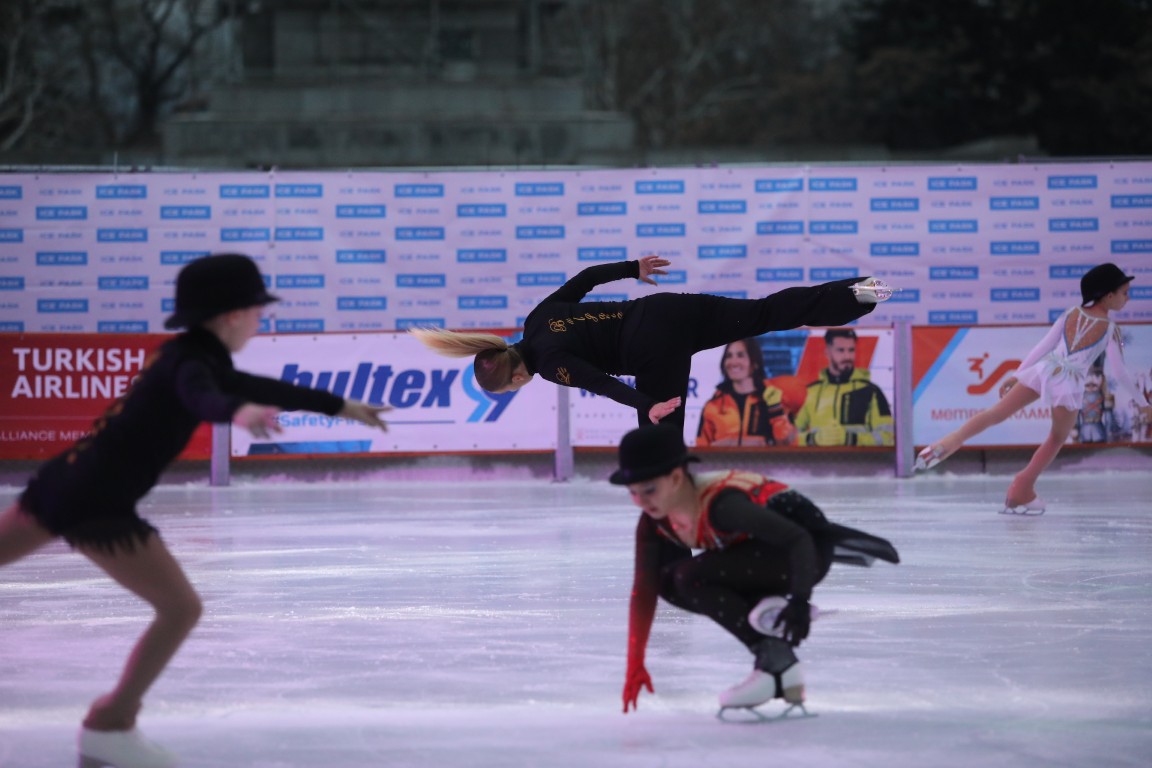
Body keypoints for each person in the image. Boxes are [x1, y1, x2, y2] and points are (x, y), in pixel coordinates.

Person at [0, 254, 390, 768]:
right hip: (95, 503)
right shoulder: (191, 366)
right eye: (257, 309)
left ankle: (112, 720)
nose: (260, 318)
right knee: (181, 609)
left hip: (62, 484)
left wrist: (339, 407)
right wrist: (237, 413)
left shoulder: (190, 354)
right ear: (232, 314)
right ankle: (111, 720)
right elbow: (204, 397)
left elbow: (256, 387)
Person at [609, 424, 900, 714]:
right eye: (633, 493)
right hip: (761, 554)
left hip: (806, 551)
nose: (641, 502)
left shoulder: (722, 504)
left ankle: (773, 655)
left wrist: (800, 600)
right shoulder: (653, 522)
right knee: (668, 583)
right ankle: (775, 651)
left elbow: (798, 538)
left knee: (689, 576)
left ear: (675, 478)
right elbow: (644, 588)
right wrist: (635, 663)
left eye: (649, 490)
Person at [411, 256, 892, 430]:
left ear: (516, 376)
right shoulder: (537, 319)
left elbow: (602, 384)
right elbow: (585, 278)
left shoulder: (550, 362)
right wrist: (632, 269)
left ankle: (674, 533)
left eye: (510, 388)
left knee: (657, 433)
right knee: (765, 311)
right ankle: (856, 293)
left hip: (652, 349)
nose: (519, 388)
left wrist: (648, 404)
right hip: (665, 310)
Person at [915, 262, 1152, 514]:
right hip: (1069, 382)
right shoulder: (1111, 330)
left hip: (1045, 370)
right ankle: (1021, 489)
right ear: (1108, 295)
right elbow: (1119, 373)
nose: (1128, 298)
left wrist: (1018, 375)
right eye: (1125, 293)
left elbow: (1043, 346)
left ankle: (943, 445)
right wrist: (1145, 404)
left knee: (995, 413)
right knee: (1057, 437)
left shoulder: (1071, 313)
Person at [794, 329, 894, 446]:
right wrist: (813, 439)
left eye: (851, 350)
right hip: (819, 462)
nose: (847, 356)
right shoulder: (812, 392)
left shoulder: (871, 391)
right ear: (827, 352)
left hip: (861, 462)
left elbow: (888, 437)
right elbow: (791, 436)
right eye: (840, 350)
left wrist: (851, 439)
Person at [695, 338, 797, 446]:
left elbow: (788, 444)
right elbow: (701, 450)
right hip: (724, 463)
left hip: (765, 463)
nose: (733, 362)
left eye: (740, 355)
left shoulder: (775, 399)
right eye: (729, 356)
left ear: (755, 363)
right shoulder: (712, 406)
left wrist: (775, 410)